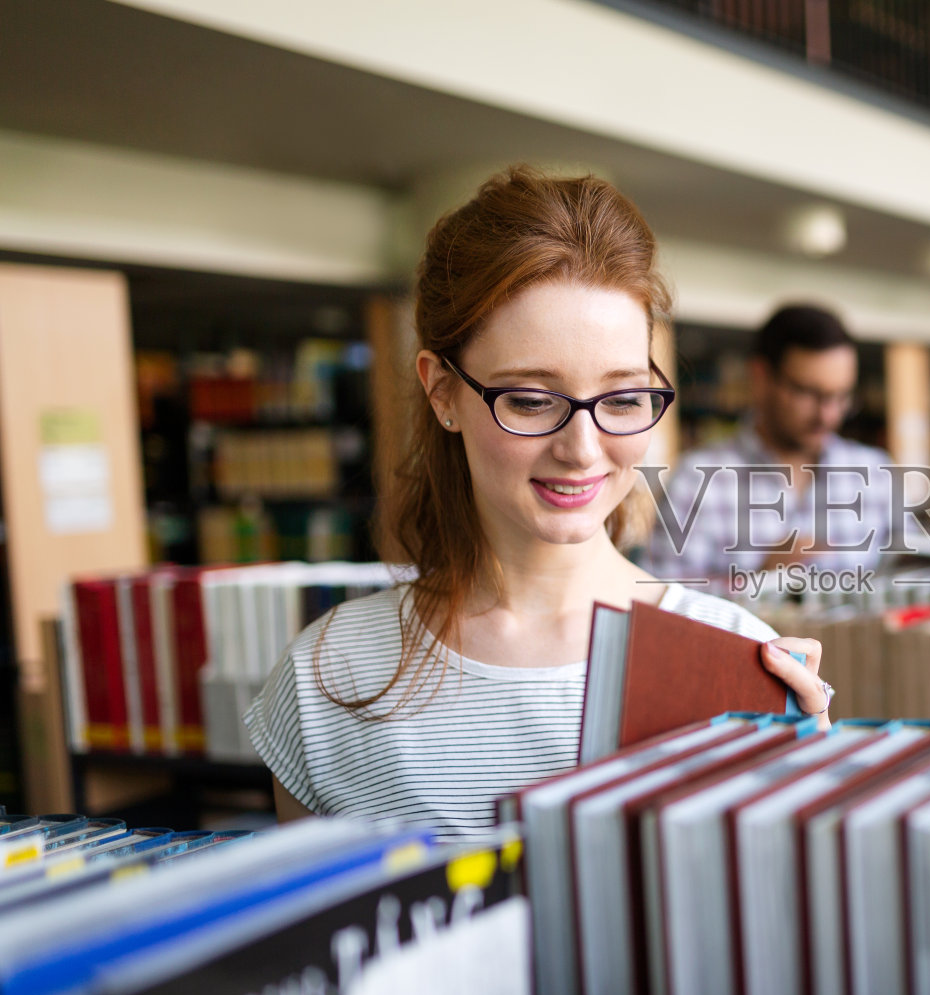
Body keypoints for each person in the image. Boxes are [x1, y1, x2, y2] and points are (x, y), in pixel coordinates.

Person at [244, 168, 832, 841]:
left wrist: (808, 805)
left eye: (623, 399)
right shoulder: (327, 676)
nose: (582, 449)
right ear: (442, 392)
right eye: (530, 400)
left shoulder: (738, 662)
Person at [647, 304, 898, 581]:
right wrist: (757, 582)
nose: (827, 415)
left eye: (840, 396)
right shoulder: (696, 482)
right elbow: (661, 594)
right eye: (807, 393)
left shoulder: (877, 474)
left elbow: (912, 574)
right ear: (761, 377)